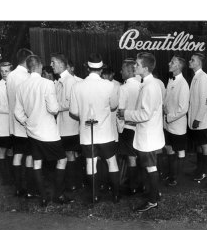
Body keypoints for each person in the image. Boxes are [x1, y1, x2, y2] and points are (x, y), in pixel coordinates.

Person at [14, 55, 68, 207]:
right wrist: (57, 108)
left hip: (32, 131)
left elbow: (17, 112)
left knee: (37, 162)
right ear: (39, 66)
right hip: (48, 131)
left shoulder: (21, 86)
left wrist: (27, 122)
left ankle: (43, 197)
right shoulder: (47, 83)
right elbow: (53, 108)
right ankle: (58, 195)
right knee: (62, 159)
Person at [69, 53, 121, 204]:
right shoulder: (110, 85)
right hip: (105, 133)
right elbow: (113, 106)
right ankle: (116, 195)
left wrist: (85, 116)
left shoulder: (77, 86)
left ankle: (95, 195)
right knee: (112, 162)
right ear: (101, 69)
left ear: (87, 68)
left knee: (90, 163)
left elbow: (73, 111)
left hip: (87, 133)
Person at [117, 52, 165, 212]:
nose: (134, 67)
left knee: (150, 167)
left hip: (148, 135)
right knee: (149, 167)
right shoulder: (148, 84)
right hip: (148, 133)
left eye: (137, 64)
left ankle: (153, 200)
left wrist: (126, 114)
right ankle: (154, 195)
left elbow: (145, 114)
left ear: (145, 68)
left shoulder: (150, 86)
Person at [51, 53, 83, 191]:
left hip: (70, 125)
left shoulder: (69, 81)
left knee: (68, 154)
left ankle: (72, 183)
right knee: (66, 154)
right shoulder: (60, 80)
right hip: (62, 124)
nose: (51, 65)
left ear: (61, 64)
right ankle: (71, 183)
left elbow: (71, 103)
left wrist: (54, 106)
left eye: (53, 62)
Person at [6, 48, 34, 197]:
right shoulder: (25, 77)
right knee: (29, 155)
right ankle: (29, 189)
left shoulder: (10, 76)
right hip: (24, 122)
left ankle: (18, 188)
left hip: (14, 124)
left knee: (17, 154)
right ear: (28, 60)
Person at [162, 55, 190, 186]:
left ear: (178, 66)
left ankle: (177, 177)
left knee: (179, 150)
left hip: (177, 125)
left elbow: (183, 108)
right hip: (168, 124)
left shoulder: (183, 83)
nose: (169, 63)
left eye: (172, 62)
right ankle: (171, 174)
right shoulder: (171, 80)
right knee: (169, 148)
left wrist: (169, 117)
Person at [118, 58, 141, 194]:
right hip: (140, 127)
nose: (121, 72)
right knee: (139, 156)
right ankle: (138, 183)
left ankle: (132, 186)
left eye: (122, 69)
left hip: (128, 128)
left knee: (131, 158)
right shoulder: (141, 86)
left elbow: (121, 112)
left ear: (128, 71)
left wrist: (120, 128)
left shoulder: (124, 88)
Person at [188, 52, 207, 182]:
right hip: (195, 119)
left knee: (204, 144)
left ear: (199, 63)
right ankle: (199, 168)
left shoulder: (203, 77)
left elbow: (205, 100)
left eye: (192, 60)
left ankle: (205, 171)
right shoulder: (196, 76)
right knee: (198, 144)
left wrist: (198, 118)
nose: (190, 62)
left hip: (201, 120)